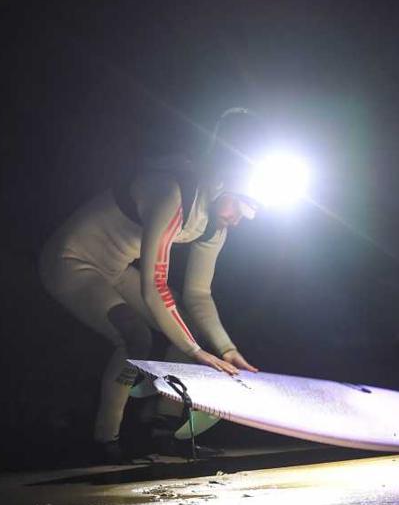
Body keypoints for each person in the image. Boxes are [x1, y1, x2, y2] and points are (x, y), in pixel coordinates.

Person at [39, 109, 266, 464]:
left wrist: (225, 348)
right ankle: (104, 441)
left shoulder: (215, 225)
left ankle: (164, 430)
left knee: (185, 328)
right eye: (239, 206)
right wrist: (194, 352)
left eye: (250, 213)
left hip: (114, 268)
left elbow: (199, 295)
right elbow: (154, 284)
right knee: (136, 336)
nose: (238, 219)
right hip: (70, 262)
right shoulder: (173, 193)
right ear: (225, 183)